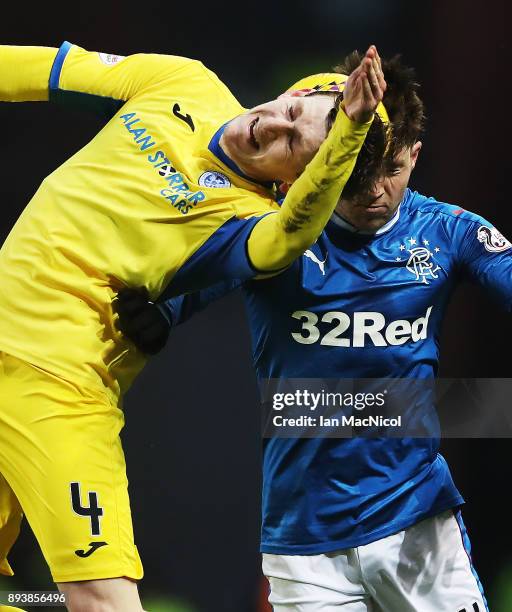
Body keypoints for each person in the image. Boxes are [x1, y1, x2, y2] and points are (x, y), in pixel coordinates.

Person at [116, 54, 511, 611]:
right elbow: (192, 282)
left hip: (418, 527)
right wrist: (160, 316)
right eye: (359, 171)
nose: (375, 189)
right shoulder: (278, 230)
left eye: (393, 168)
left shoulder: (449, 233)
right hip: (302, 546)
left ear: (415, 156)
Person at [0, 43, 387, 610]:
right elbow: (40, 70)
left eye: (292, 144)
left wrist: (349, 134)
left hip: (56, 388)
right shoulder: (185, 82)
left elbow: (288, 237)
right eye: (291, 110)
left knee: (102, 602)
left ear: (293, 185)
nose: (272, 125)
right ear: (296, 92)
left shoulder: (247, 222)